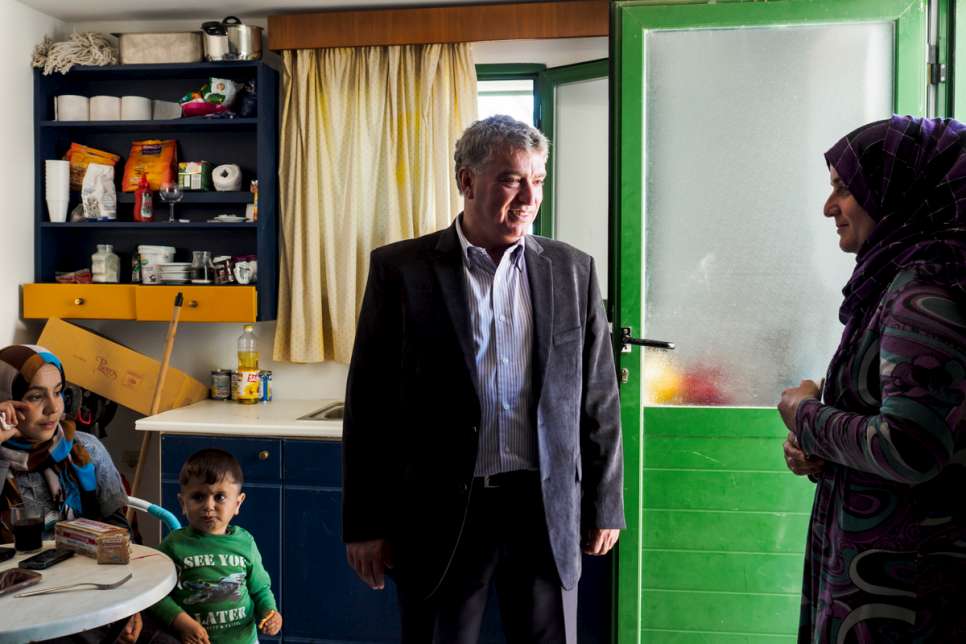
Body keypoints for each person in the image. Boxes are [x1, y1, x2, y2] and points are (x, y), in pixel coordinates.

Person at [342, 114, 624, 643]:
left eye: (537, 180)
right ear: (467, 181)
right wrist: (364, 524)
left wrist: (605, 504)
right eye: (511, 179)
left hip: (542, 508)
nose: (528, 198)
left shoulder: (573, 270)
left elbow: (598, 399)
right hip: (442, 509)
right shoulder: (401, 271)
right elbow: (368, 407)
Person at [778, 115, 966, 642]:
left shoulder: (926, 288)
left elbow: (911, 446)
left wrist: (803, 415)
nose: (828, 207)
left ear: (897, 190)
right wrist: (815, 445)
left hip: (900, 587)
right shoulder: (905, 276)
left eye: (845, 187)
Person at [0, 343, 140, 643]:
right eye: (35, 396)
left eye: (59, 391)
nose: (54, 407)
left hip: (92, 596)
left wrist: (131, 604)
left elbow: (120, 530)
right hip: (20, 613)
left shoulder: (86, 449)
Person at [145, 448, 281, 644]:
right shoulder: (173, 545)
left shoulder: (245, 542)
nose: (209, 505)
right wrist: (182, 623)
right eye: (198, 497)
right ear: (183, 503)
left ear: (238, 503)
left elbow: (260, 590)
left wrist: (270, 612)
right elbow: (153, 593)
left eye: (220, 497)